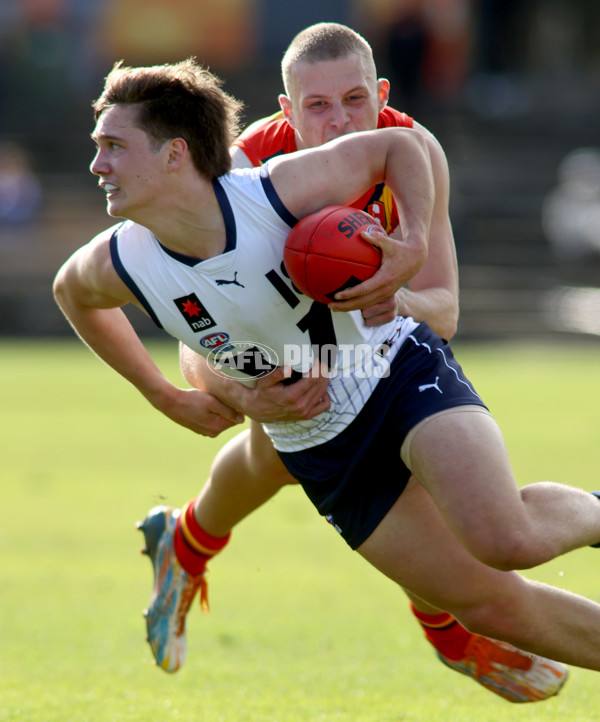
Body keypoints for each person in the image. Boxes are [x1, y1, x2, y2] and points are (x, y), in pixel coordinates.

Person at [53, 57, 600, 706]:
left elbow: (401, 147)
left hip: (393, 372)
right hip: (318, 446)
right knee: (491, 610)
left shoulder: (276, 190)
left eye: (113, 147)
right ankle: (192, 541)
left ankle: (191, 540)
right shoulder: (120, 260)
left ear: (175, 155)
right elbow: (74, 294)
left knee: (503, 539)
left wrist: (412, 249)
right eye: (98, 148)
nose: (98, 166)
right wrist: (168, 395)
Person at [175, 23, 566, 702]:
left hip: (390, 342)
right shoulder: (243, 174)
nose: (339, 123)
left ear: (382, 93)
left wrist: (389, 289)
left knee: (429, 479)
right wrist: (242, 393)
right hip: (289, 353)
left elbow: (443, 312)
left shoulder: (413, 152)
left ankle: (188, 544)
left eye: (355, 101)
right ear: (286, 109)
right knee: (273, 448)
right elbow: (192, 342)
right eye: (317, 107)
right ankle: (187, 545)